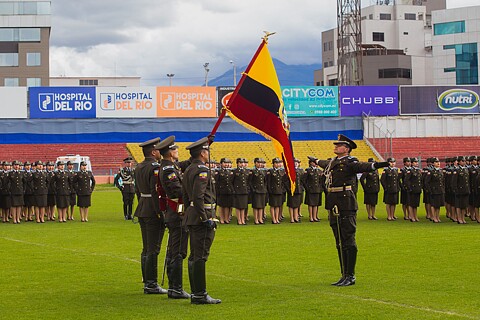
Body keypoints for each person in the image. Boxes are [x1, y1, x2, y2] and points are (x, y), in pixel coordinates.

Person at [309, 134, 388, 287]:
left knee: (348, 239)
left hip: (345, 203)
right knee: (339, 240)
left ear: (346, 149)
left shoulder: (350, 162)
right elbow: (324, 163)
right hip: (334, 202)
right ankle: (343, 274)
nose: (336, 147)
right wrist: (315, 160)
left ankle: (350, 275)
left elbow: (363, 166)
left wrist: (378, 165)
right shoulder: (333, 162)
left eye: (339, 145)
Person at [182, 136, 221, 304]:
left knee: (194, 255)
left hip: (192, 215)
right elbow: (198, 197)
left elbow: (185, 196)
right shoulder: (202, 170)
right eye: (207, 151)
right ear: (203, 153)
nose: (208, 154)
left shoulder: (190, 169)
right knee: (200, 256)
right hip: (201, 216)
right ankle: (199, 294)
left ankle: (196, 292)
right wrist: (205, 218)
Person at [155, 135, 190, 299]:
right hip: (177, 213)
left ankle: (174, 287)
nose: (177, 151)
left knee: (174, 250)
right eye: (175, 149)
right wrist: (192, 190)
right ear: (169, 152)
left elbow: (184, 164)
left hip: (174, 213)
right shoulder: (168, 170)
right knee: (177, 252)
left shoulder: (169, 166)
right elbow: (176, 191)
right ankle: (176, 288)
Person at [134, 137, 168, 294]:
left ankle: (147, 280)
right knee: (153, 248)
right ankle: (151, 284)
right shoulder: (155, 167)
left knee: (146, 247)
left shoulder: (139, 166)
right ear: (153, 152)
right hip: (152, 210)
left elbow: (137, 190)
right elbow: (156, 192)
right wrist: (160, 211)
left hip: (142, 206)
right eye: (158, 150)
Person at [424, 157, 445, 223]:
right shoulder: (431, 171)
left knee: (438, 205)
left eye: (438, 162)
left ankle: (437, 216)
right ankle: (434, 217)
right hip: (434, 190)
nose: (438, 163)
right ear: (433, 164)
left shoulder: (440, 171)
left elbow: (442, 181)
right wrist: (430, 190)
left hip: (440, 190)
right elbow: (427, 182)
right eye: (436, 162)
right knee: (433, 205)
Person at [303, 157, 323, 222]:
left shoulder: (319, 170)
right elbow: (304, 180)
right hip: (310, 189)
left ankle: (315, 216)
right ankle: (311, 217)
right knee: (311, 204)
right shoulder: (308, 170)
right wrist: (307, 188)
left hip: (317, 189)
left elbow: (321, 181)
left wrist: (320, 188)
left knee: (316, 204)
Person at [249, 157, 267, 224]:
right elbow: (250, 181)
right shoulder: (253, 171)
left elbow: (265, 181)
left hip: (262, 190)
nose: (260, 164)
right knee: (256, 206)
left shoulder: (263, 171)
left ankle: (260, 219)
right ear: (255, 163)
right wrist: (253, 189)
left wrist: (264, 188)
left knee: (261, 206)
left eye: (261, 163)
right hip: (256, 191)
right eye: (258, 163)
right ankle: (256, 219)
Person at [215, 158, 234, 224]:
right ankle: (222, 219)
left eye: (227, 163)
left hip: (229, 190)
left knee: (227, 205)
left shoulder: (230, 171)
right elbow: (217, 182)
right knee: (221, 205)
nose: (226, 164)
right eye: (225, 163)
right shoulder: (219, 172)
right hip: (221, 190)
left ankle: (226, 218)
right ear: (221, 164)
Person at [267, 158, 285, 224]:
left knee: (278, 205)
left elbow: (282, 181)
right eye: (276, 163)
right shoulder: (271, 171)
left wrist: (282, 189)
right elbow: (268, 182)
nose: (278, 164)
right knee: (273, 205)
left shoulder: (281, 171)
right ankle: (273, 219)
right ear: (273, 164)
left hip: (279, 190)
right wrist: (270, 190)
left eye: (279, 163)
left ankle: (277, 218)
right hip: (273, 190)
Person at [286, 158, 304, 223]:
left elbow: (302, 181)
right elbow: (286, 181)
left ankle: (296, 217)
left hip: (298, 190)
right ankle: (292, 218)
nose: (296, 163)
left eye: (296, 162)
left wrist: (301, 188)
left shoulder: (300, 171)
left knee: (296, 204)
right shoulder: (288, 170)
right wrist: (289, 188)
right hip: (291, 190)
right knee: (291, 205)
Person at [452, 156, 469, 224]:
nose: (464, 162)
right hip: (459, 190)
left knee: (464, 205)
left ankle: (463, 218)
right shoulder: (456, 170)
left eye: (464, 161)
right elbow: (454, 182)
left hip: (465, 190)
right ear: (459, 162)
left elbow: (468, 181)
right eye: (462, 161)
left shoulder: (466, 169)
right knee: (459, 205)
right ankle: (459, 218)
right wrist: (456, 190)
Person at [232, 158, 250, 225]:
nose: (242, 164)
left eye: (242, 163)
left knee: (243, 206)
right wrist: (234, 190)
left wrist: (247, 189)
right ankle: (239, 220)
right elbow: (232, 181)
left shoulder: (246, 171)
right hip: (238, 191)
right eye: (240, 163)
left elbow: (248, 181)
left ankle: (243, 220)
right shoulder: (235, 171)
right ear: (237, 163)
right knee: (238, 206)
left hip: (244, 191)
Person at [405, 157, 422, 222]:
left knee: (416, 204)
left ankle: (415, 216)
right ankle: (411, 216)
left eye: (417, 162)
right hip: (412, 189)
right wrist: (410, 188)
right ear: (412, 163)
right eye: (415, 162)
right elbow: (407, 180)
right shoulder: (410, 170)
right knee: (411, 204)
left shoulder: (418, 170)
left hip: (417, 189)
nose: (416, 163)